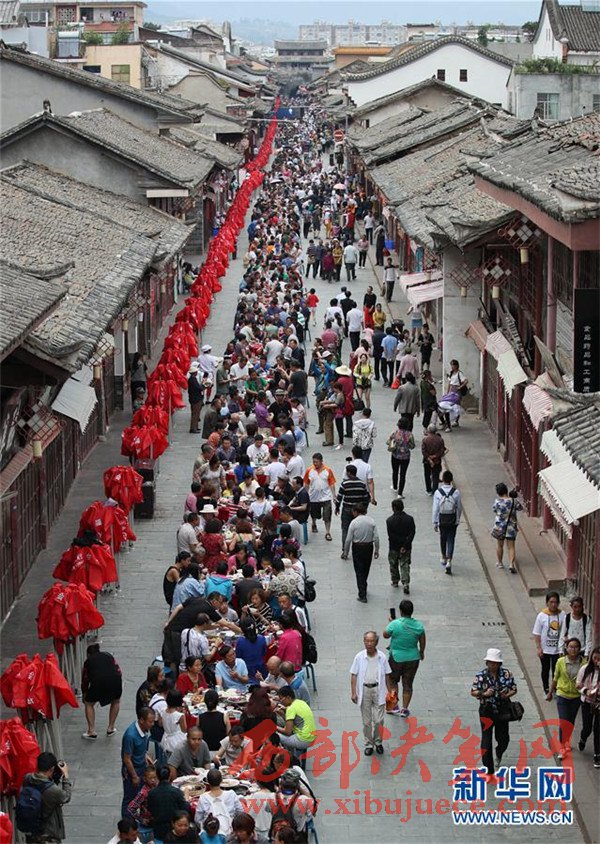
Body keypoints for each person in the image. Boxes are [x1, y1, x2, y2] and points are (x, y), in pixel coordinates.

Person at [470, 648, 517, 775]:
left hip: (502, 710)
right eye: (490, 662)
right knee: (486, 741)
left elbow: (514, 689)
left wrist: (506, 695)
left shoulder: (507, 674)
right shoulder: (481, 675)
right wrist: (484, 693)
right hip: (486, 710)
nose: (493, 665)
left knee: (503, 738)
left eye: (495, 663)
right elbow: (473, 691)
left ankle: (499, 752)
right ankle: (488, 769)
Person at [350, 631, 392, 756]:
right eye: (366, 641)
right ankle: (368, 744)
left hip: (378, 689)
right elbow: (354, 674)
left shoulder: (382, 657)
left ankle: (378, 742)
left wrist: (390, 692)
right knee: (366, 722)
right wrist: (353, 692)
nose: (369, 643)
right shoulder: (359, 657)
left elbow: (387, 675)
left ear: (376, 642)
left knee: (379, 720)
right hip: (365, 690)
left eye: (371, 641)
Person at [383, 600, 425, 717]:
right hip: (413, 658)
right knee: (408, 684)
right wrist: (421, 652)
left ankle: (393, 706)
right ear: (412, 611)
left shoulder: (395, 624)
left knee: (392, 681)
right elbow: (422, 640)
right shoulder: (419, 625)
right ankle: (405, 709)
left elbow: (385, 635)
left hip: (396, 658)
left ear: (400, 611)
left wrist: (391, 622)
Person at [19, 752, 72, 843]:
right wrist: (66, 777)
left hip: (31, 831)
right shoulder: (53, 790)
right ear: (52, 769)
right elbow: (66, 797)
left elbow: (41, 783)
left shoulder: (27, 778)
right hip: (48, 834)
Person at [548, 637, 586, 758]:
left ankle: (567, 740)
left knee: (570, 721)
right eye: (571, 647)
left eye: (576, 647)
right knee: (564, 721)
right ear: (567, 648)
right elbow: (555, 678)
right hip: (562, 694)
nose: (573, 649)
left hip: (576, 696)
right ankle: (562, 747)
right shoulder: (560, 661)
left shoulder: (584, 663)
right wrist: (550, 692)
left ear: (579, 649)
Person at [81, 643, 122, 739]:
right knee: (116, 701)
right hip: (115, 680)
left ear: (88, 654)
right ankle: (111, 728)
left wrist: (84, 693)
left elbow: (85, 679)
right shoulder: (108, 655)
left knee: (89, 703)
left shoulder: (88, 661)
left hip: (98, 682)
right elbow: (118, 670)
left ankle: (91, 731)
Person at [342, 503, 380, 604]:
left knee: (359, 570)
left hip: (357, 547)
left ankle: (362, 594)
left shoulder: (354, 523)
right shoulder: (371, 521)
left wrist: (345, 552)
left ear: (356, 512)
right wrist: (376, 550)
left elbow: (348, 539)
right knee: (366, 568)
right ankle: (364, 585)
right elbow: (376, 537)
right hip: (369, 547)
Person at [121, 708, 155, 816]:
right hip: (133, 770)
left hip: (141, 767)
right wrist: (134, 776)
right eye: (150, 721)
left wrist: (145, 755)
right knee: (130, 799)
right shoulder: (130, 735)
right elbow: (127, 759)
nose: (152, 724)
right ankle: (127, 821)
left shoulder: (144, 730)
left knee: (140, 797)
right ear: (141, 720)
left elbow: (140, 748)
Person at [532, 591, 566, 697]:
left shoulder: (562, 615)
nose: (553, 604)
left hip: (557, 649)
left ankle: (555, 688)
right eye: (551, 602)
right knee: (545, 669)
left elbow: (564, 631)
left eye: (555, 602)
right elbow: (537, 633)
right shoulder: (541, 616)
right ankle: (546, 688)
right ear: (547, 603)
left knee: (556, 670)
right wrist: (539, 648)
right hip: (545, 649)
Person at [147, 765, 192, 842]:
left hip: (158, 831)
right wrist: (186, 797)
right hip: (174, 832)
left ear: (157, 776)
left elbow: (150, 810)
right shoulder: (176, 792)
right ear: (170, 775)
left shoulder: (151, 793)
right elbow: (186, 810)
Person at [194, 769, 244, 837]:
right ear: (221, 780)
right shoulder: (231, 794)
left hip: (210, 835)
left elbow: (198, 820)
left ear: (207, 782)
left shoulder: (203, 797)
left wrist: (207, 827)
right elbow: (241, 813)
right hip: (230, 834)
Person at [432, 470, 462, 576]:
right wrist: (457, 519)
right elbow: (459, 508)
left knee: (443, 538)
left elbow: (435, 508)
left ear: (443, 480)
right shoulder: (456, 492)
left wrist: (435, 522)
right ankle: (449, 560)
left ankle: (443, 557)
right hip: (452, 518)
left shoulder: (438, 492)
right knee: (451, 539)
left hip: (442, 518)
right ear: (451, 480)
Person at [335, 465, 371, 551]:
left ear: (349, 473)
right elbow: (366, 498)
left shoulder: (344, 484)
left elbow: (339, 497)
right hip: (358, 511)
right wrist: (364, 509)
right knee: (358, 529)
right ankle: (357, 547)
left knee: (345, 530)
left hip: (347, 510)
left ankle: (345, 549)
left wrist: (337, 508)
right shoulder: (362, 484)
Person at [576, 646, 600, 768]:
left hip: (599, 704)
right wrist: (586, 691)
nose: (597, 661)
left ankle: (597, 754)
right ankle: (583, 738)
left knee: (598, 729)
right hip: (586, 702)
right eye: (595, 658)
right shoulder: (585, 669)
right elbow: (578, 685)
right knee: (587, 726)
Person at [304, 453, 336, 541]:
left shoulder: (328, 470)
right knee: (314, 514)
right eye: (313, 462)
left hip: (326, 497)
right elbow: (306, 483)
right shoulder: (309, 470)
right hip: (313, 497)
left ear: (321, 461)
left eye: (316, 462)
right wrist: (305, 495)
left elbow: (332, 483)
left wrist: (334, 495)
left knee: (327, 515)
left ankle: (327, 532)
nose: (315, 464)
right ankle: (314, 523)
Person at [386, 499, 416, 593]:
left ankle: (395, 580)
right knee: (405, 564)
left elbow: (391, 536)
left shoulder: (389, 520)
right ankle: (405, 583)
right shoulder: (410, 519)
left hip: (394, 547)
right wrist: (405, 545)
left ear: (393, 508)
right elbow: (412, 533)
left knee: (393, 564)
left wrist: (399, 545)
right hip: (406, 547)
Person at [491, 484, 523, 572]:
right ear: (506, 490)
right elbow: (520, 508)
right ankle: (511, 564)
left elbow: (494, 510)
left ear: (498, 493)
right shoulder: (514, 501)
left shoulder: (497, 501)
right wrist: (513, 497)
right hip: (511, 527)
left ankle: (500, 563)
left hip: (499, 527)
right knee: (511, 547)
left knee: (500, 545)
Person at [276, 686, 316, 754]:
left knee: (275, 735)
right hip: (311, 736)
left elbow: (287, 732)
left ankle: (290, 756)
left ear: (288, 697)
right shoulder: (300, 702)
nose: (280, 702)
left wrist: (275, 727)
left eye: (281, 699)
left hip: (303, 740)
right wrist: (285, 709)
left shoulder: (291, 709)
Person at [387, 417, 415, 498]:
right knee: (403, 474)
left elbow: (388, 442)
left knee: (395, 471)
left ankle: (395, 486)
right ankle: (400, 493)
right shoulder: (410, 435)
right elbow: (412, 446)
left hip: (395, 455)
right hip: (405, 457)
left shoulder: (395, 433)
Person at [197, 689, 231, 753]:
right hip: (220, 752)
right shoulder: (224, 717)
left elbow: (197, 737)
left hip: (205, 752)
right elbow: (229, 736)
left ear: (205, 702)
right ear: (217, 702)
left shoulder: (200, 717)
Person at [421, 425, 445, 496]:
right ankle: (435, 490)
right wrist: (435, 456)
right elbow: (441, 451)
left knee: (427, 475)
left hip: (427, 461)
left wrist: (429, 458)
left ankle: (428, 490)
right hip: (437, 461)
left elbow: (423, 451)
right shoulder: (440, 439)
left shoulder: (425, 439)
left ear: (428, 430)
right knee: (435, 475)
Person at [188, 365, 204, 434]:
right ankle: (193, 428)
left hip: (194, 398)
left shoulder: (192, 379)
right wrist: (203, 386)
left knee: (196, 414)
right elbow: (199, 388)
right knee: (195, 414)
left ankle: (195, 427)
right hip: (195, 399)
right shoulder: (193, 380)